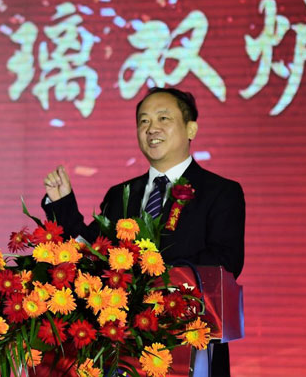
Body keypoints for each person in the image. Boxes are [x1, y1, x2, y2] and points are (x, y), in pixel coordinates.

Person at [41, 87, 245, 377]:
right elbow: (94, 256)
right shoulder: (121, 194)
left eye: (163, 118)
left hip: (188, 344)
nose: (152, 129)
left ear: (191, 129)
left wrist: (145, 276)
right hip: (121, 352)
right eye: (144, 121)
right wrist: (63, 206)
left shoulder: (220, 192)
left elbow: (226, 261)